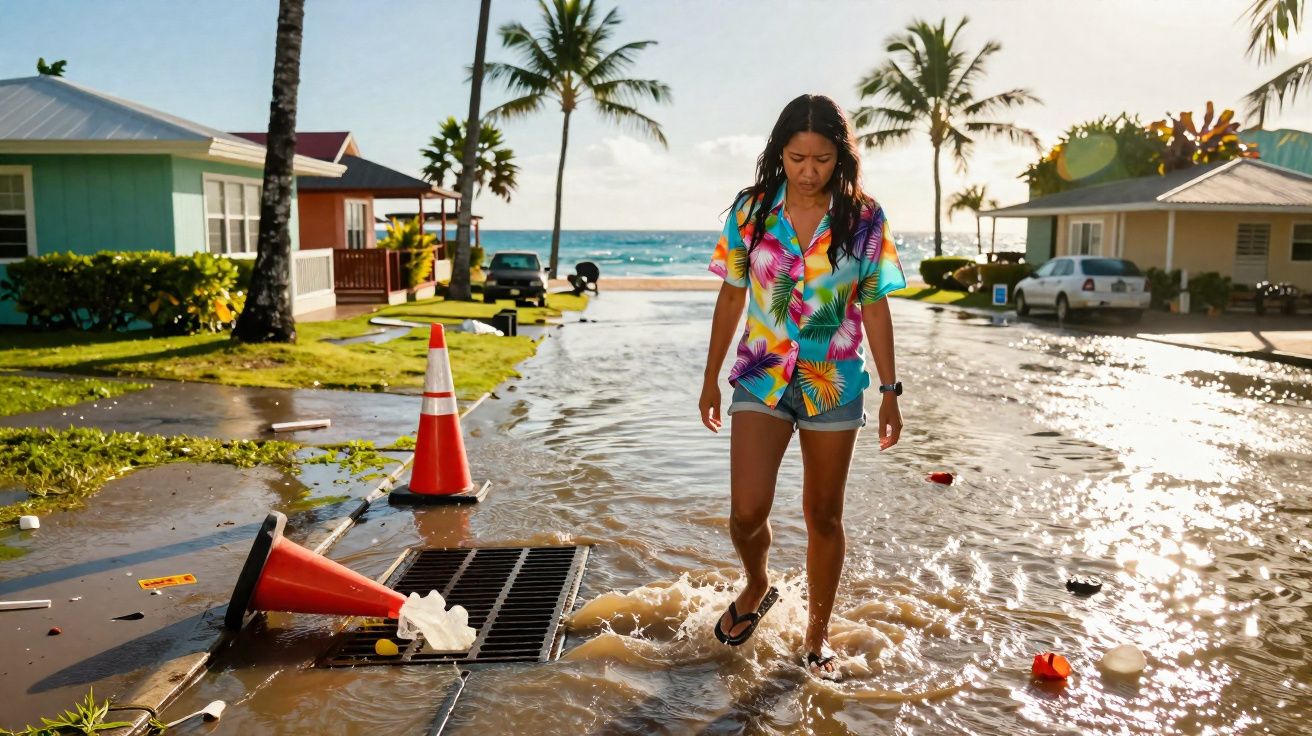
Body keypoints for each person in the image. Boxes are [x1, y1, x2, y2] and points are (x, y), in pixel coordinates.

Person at [698, 93, 907, 680]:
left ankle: (815, 642)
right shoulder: (753, 210)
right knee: (745, 512)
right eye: (796, 158)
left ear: (841, 156)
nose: (809, 171)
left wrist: (890, 391)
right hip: (762, 375)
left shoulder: (864, 218)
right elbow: (732, 294)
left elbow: (875, 306)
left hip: (833, 381)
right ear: (779, 154)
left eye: (821, 159)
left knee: (823, 515)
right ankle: (759, 584)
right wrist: (711, 377)